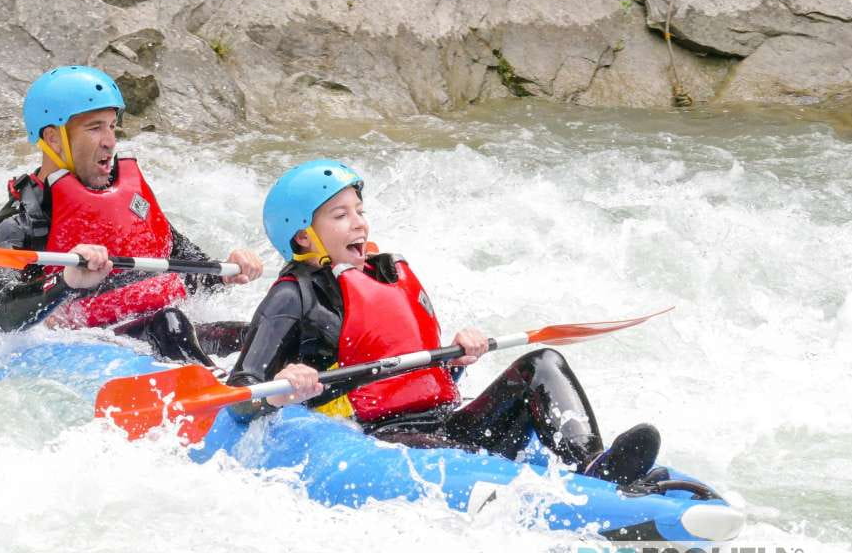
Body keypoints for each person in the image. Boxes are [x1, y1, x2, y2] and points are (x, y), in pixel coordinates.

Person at [226, 159, 661, 486]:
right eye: (340, 216)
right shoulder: (291, 295)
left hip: (445, 419)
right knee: (458, 455)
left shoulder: (385, 275)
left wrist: (458, 357)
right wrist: (284, 387)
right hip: (380, 438)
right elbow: (240, 393)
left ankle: (592, 468)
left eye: (358, 210)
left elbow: (412, 367)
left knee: (542, 362)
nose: (359, 222)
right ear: (304, 236)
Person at [0, 66, 261, 365]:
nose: (110, 141)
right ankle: (219, 396)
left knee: (253, 335)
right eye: (95, 127)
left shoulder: (128, 202)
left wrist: (228, 272)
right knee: (170, 323)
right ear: (54, 138)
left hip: (155, 335)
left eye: (112, 126)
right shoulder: (18, 225)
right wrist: (66, 282)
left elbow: (190, 271)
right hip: (84, 350)